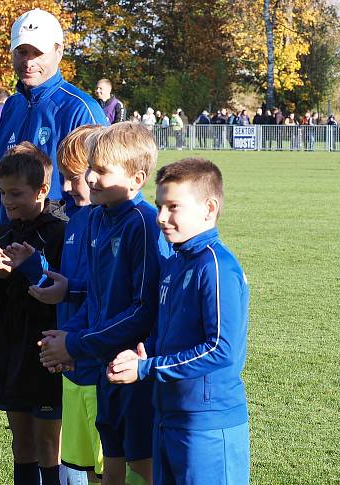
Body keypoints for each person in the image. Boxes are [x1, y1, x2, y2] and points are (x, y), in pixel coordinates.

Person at [39, 123, 170, 485]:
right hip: (103, 364)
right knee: (110, 460)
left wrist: (77, 344)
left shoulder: (143, 224)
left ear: (137, 178)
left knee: (139, 466)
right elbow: (97, 296)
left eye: (101, 170)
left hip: (134, 366)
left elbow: (143, 311)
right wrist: (69, 337)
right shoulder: (95, 218)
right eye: (90, 168)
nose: (91, 178)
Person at [108, 158, 250, 485]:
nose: (160, 217)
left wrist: (147, 369)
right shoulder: (174, 262)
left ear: (209, 209)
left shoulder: (215, 267)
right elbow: (168, 334)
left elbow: (220, 349)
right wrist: (145, 353)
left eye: (173, 207)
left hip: (208, 426)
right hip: (168, 418)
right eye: (159, 206)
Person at [0, 142, 66, 485]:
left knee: (49, 442)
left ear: (42, 189)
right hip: (11, 347)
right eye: (1, 193)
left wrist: (26, 270)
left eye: (16, 193)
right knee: (21, 442)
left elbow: (62, 295)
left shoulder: (61, 230)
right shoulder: (3, 232)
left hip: (46, 352)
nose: (7, 201)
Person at [26, 125, 106, 484]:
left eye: (75, 177)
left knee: (110, 467)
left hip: (100, 367)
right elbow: (70, 282)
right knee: (81, 464)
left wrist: (69, 292)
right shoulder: (73, 219)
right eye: (65, 177)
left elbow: (114, 294)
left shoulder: (116, 222)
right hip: (72, 367)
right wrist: (35, 268)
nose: (68, 187)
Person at [0, 8, 107, 229]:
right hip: (10, 246)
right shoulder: (12, 106)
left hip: (59, 249)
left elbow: (100, 192)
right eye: (22, 52)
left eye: (38, 53)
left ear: (59, 51)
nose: (29, 62)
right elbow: (1, 182)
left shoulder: (81, 109)